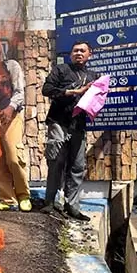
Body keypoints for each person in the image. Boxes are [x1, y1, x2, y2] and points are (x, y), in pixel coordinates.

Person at [40, 41, 98, 221]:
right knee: (56, 161)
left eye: (83, 51)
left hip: (79, 126)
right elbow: (46, 89)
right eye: (75, 50)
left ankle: (72, 206)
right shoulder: (61, 70)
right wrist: (73, 91)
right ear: (70, 54)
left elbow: (97, 98)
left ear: (90, 55)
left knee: (77, 167)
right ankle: (49, 202)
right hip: (59, 122)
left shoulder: (94, 76)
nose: (79, 53)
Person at [0, 42, 31, 213]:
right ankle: (7, 199)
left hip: (11, 117)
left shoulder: (11, 66)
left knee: (13, 157)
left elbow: (19, 91)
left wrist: (10, 108)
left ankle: (24, 195)